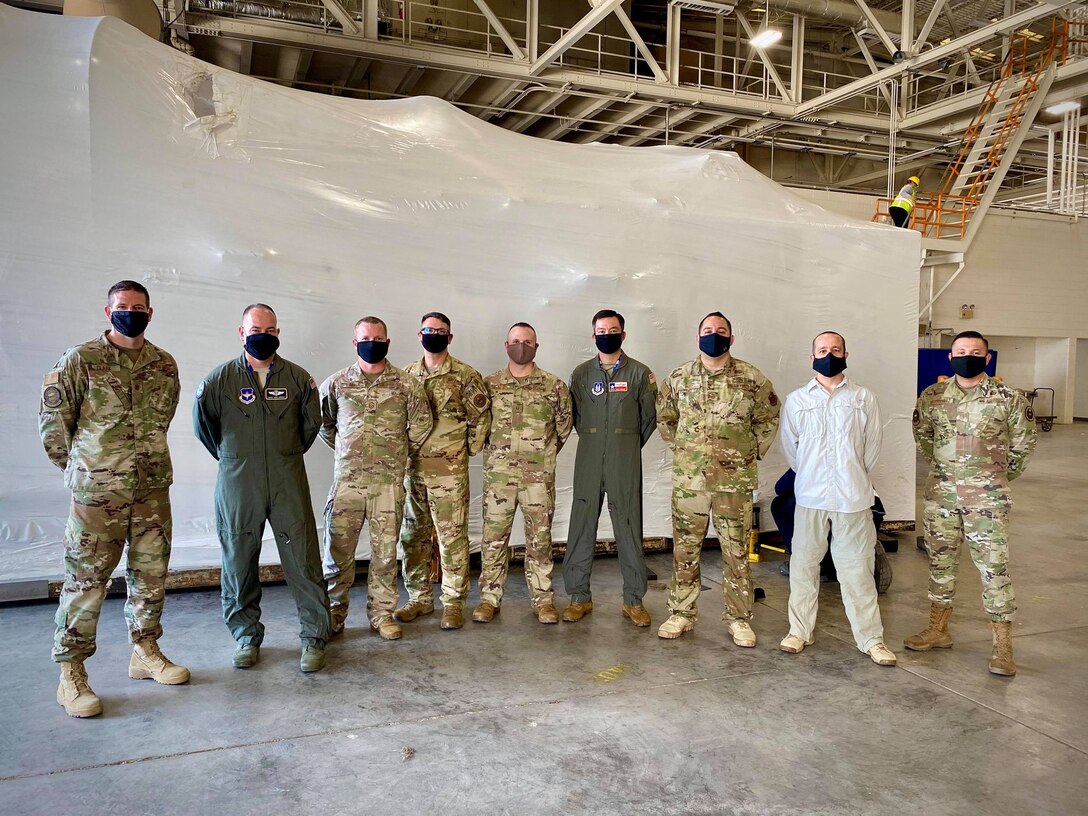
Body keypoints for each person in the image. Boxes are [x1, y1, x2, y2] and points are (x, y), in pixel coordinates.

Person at [41, 280, 189, 718]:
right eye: (123, 307)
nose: (131, 312)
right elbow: (54, 426)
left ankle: (145, 651)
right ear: (108, 313)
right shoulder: (80, 360)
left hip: (151, 488)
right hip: (97, 495)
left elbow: (164, 416)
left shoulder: (163, 364)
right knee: (87, 581)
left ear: (150, 311)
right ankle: (71, 673)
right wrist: (87, 469)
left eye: (139, 307)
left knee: (150, 574)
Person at [193, 304, 330, 672]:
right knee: (238, 560)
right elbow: (205, 430)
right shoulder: (219, 381)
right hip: (239, 482)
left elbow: (308, 427)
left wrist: (280, 456)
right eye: (255, 329)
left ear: (278, 333)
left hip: (287, 477)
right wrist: (238, 459)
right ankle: (245, 636)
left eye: (270, 330)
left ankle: (314, 638)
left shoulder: (298, 379)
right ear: (241, 332)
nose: (262, 335)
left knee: (302, 558)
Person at [906, 330, 1037, 676]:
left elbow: (1023, 446)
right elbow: (925, 440)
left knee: (994, 570)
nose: (968, 355)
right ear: (950, 357)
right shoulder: (933, 395)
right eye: (961, 351)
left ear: (987, 357)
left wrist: (993, 477)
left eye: (975, 351)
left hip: (988, 501)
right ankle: (938, 629)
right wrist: (950, 472)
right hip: (942, 497)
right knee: (940, 565)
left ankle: (1003, 646)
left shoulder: (1007, 397)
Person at [655, 313, 779, 646]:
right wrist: (686, 451)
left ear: (732, 338)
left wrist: (749, 453)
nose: (714, 336)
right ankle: (682, 613)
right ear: (698, 338)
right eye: (708, 331)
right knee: (685, 549)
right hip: (690, 482)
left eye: (720, 331)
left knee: (736, 551)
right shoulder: (679, 377)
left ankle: (739, 619)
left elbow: (769, 417)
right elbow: (665, 418)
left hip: (733, 483)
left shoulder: (750, 378)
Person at [778, 331, 897, 666]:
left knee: (857, 571)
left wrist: (852, 475)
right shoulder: (797, 400)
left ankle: (871, 639)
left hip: (853, 500)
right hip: (811, 498)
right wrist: (814, 475)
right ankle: (799, 631)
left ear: (846, 354)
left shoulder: (863, 399)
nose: (828, 354)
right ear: (811, 355)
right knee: (803, 566)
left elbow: (871, 450)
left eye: (835, 350)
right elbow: (792, 451)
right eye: (821, 350)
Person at [320, 317, 432, 641]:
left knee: (384, 555)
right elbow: (324, 423)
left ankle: (381, 614)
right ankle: (334, 614)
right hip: (347, 485)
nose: (373, 342)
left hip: (387, 484)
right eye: (366, 338)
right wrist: (346, 452)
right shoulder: (338, 383)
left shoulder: (406, 385)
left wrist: (396, 456)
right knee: (338, 553)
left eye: (378, 337)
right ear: (355, 343)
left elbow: (421, 425)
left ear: (388, 341)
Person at [396, 312, 491, 631]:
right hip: (414, 469)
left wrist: (465, 451)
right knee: (413, 536)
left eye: (440, 331)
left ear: (449, 337)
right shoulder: (406, 374)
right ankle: (419, 598)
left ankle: (452, 603)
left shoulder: (464, 375)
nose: (433, 335)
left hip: (449, 473)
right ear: (419, 334)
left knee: (452, 538)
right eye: (428, 330)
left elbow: (481, 418)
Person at [473, 323, 573, 625]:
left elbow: (563, 427)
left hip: (537, 480)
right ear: (506, 345)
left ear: (536, 347)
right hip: (499, 480)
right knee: (493, 540)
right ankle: (489, 599)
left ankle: (543, 601)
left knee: (539, 541)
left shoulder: (553, 386)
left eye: (527, 341)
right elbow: (478, 427)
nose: (522, 346)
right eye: (516, 341)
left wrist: (541, 457)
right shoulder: (489, 385)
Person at [562, 309, 657, 627]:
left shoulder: (640, 374)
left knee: (629, 525)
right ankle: (579, 596)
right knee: (581, 523)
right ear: (593, 336)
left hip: (624, 458)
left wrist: (625, 445)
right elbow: (573, 416)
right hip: (588, 455)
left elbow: (649, 418)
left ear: (623, 334)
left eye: (613, 329)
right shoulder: (581, 374)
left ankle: (634, 600)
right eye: (601, 330)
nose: (607, 334)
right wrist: (597, 440)